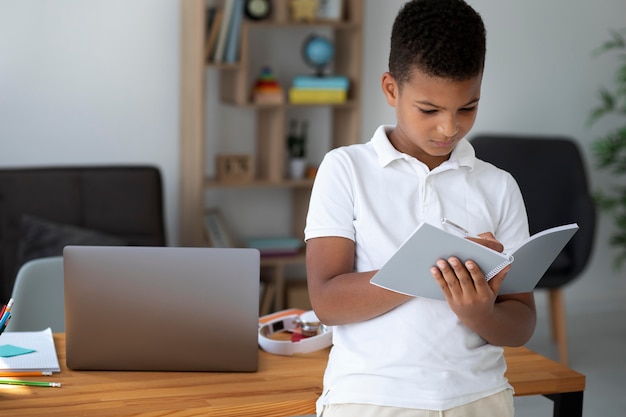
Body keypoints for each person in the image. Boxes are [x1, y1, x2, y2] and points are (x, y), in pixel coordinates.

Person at [304, 0, 537, 416]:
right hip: (369, 399)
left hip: (479, 398)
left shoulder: (498, 186)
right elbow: (327, 301)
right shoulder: (346, 169)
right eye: (429, 110)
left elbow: (521, 323)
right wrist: (429, 266)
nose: (449, 128)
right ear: (392, 89)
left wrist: (480, 312)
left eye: (467, 107)